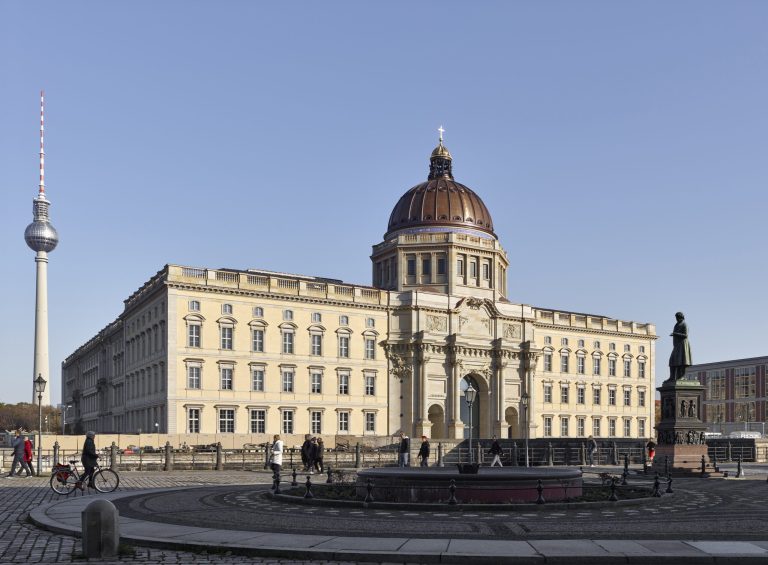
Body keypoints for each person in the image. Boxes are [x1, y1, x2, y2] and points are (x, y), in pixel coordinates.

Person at [669, 312, 692, 381]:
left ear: (680, 317)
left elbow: (685, 335)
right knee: (672, 361)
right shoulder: (676, 325)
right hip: (677, 346)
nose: (676, 319)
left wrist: (675, 334)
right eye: (676, 318)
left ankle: (681, 376)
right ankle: (672, 377)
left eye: (677, 318)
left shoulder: (684, 324)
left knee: (682, 361)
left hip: (683, 345)